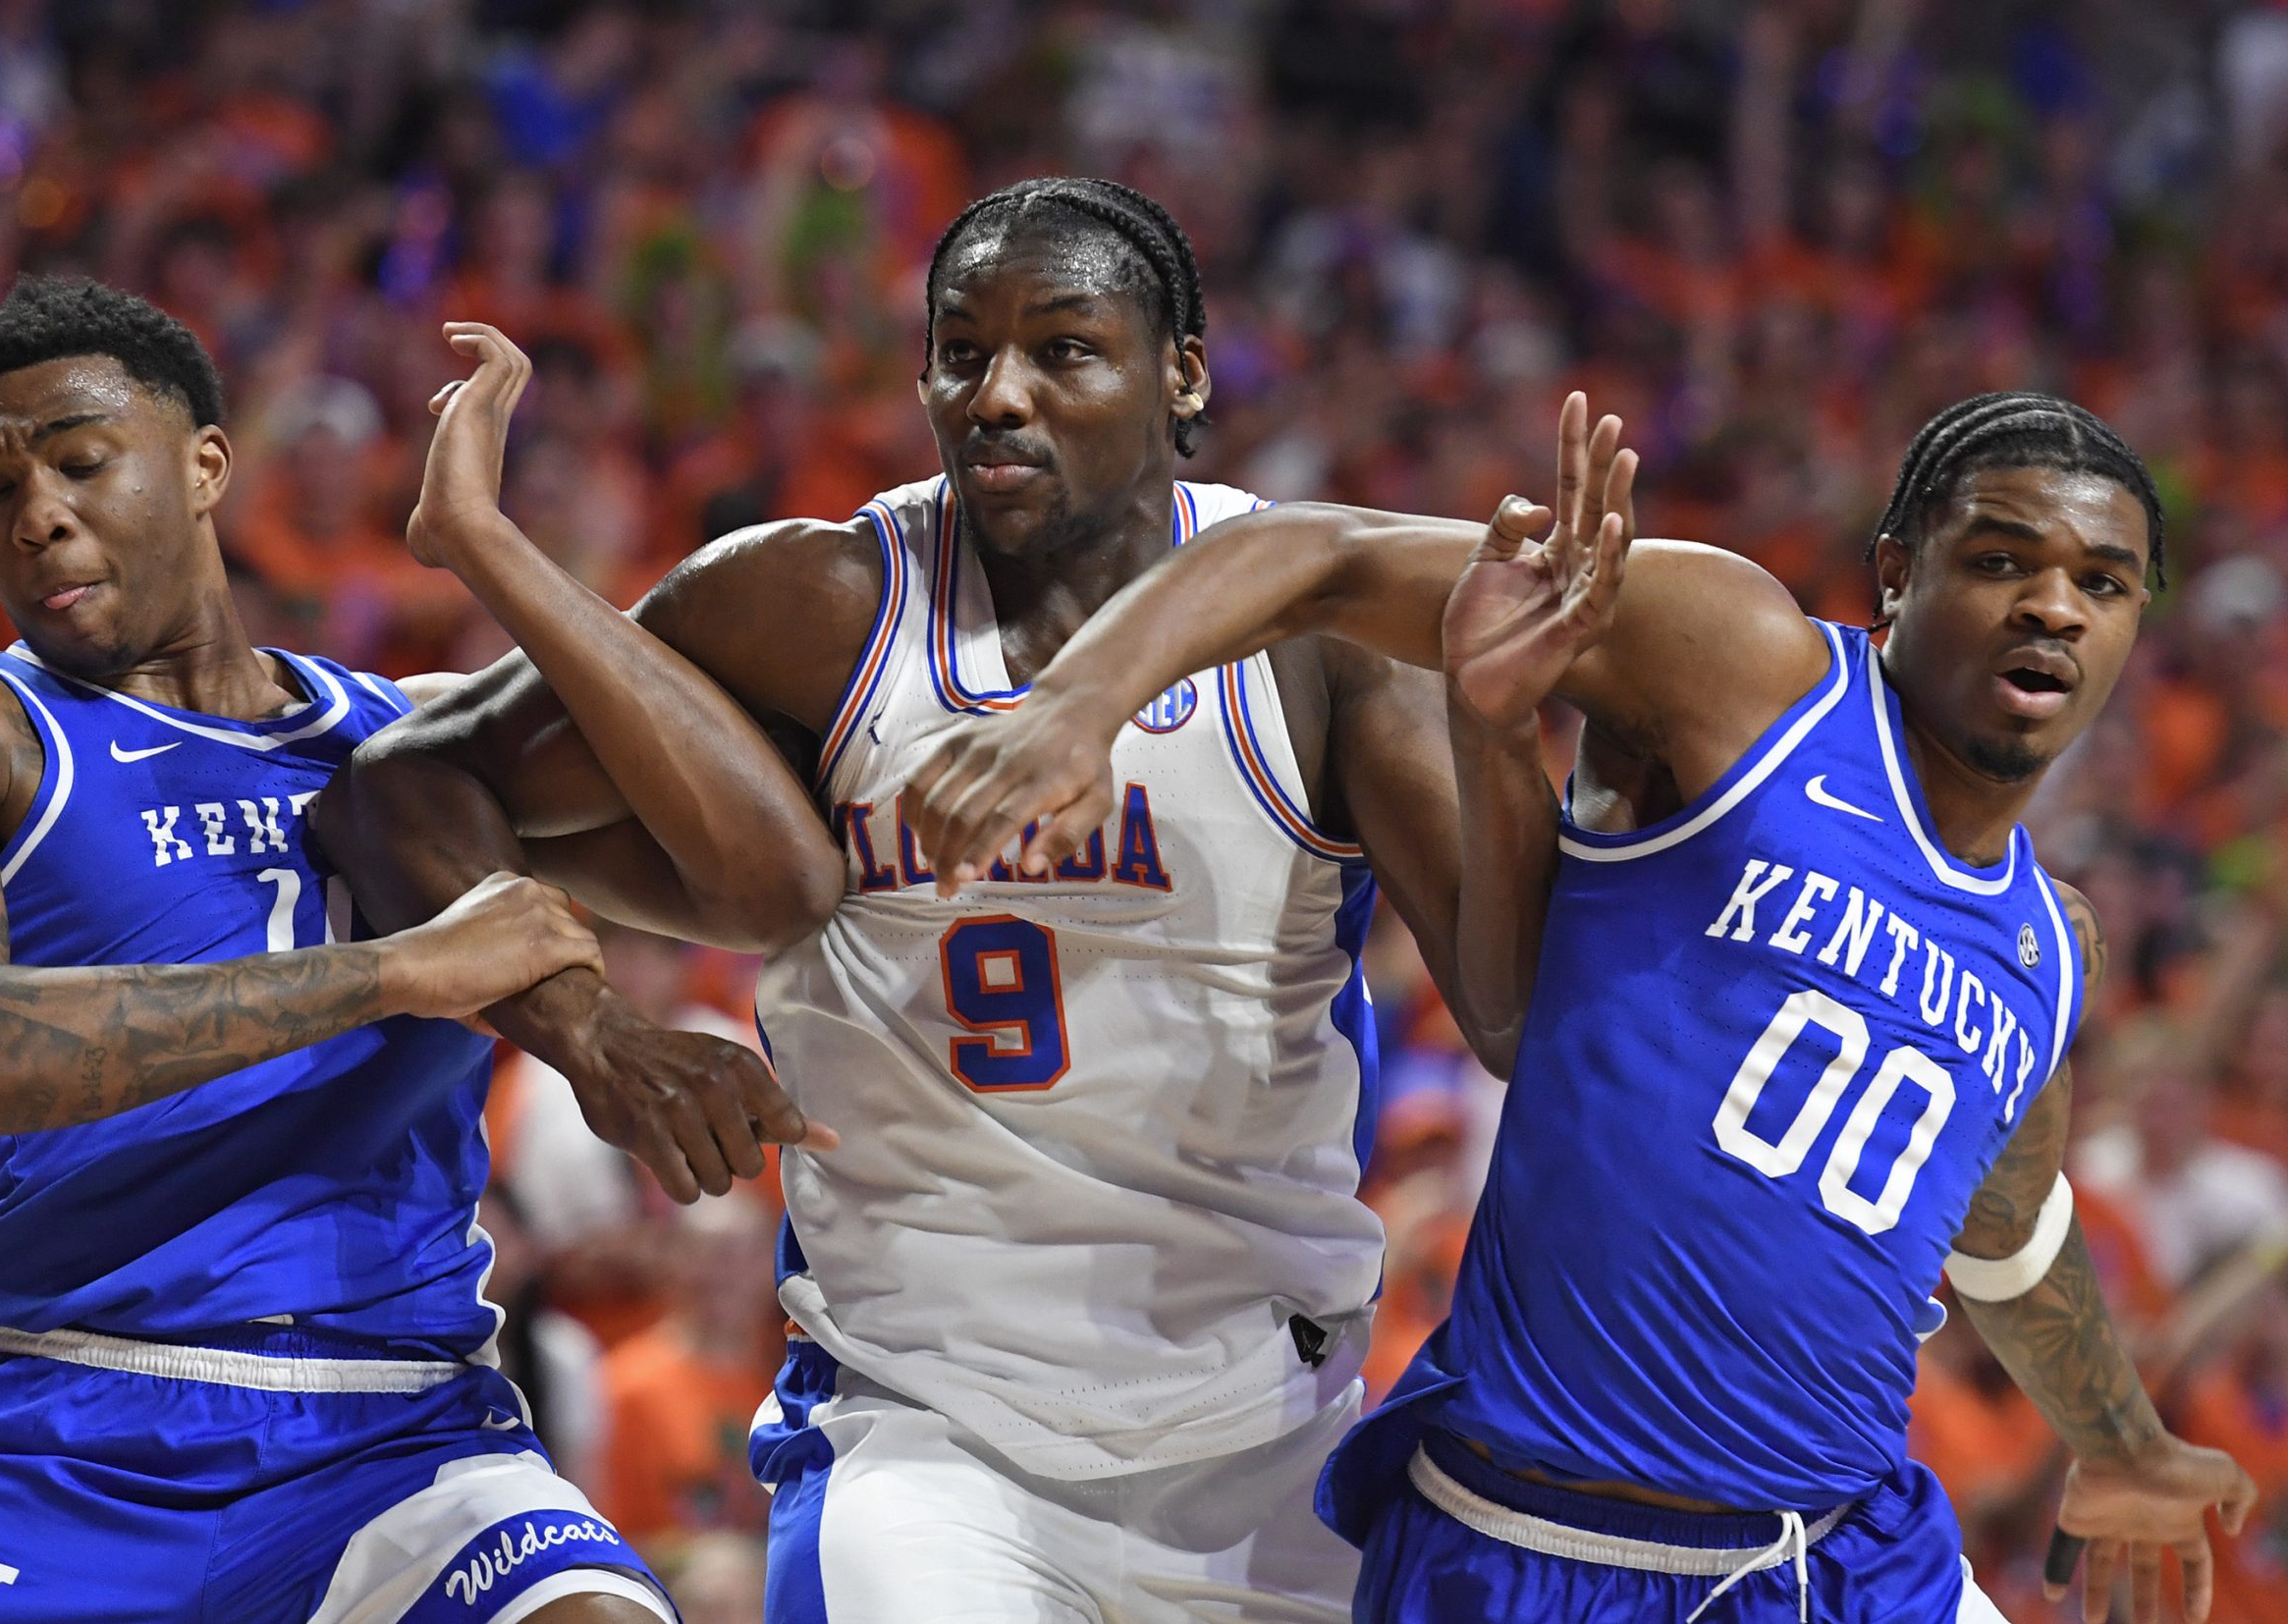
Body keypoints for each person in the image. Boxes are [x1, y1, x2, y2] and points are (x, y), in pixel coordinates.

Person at [321, 177, 1519, 1623]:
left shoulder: (1322, 640)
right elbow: (403, 785)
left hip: (1268, 1442)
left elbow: (1514, 1011)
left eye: (1064, 351)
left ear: (1182, 373)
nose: (999, 394)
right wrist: (597, 1040)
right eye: (962, 352)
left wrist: (1504, 733)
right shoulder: (817, 603)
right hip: (927, 1435)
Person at [906, 390, 2261, 1622]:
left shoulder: (2052, 944)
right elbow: (1319, 556)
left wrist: (2123, 1442)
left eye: (2103, 583)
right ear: (1898, 572)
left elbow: (2010, 1234)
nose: (2054, 608)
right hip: (1530, 1540)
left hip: (1841, 1560)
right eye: (2003, 559)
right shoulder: (1752, 670)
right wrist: (1072, 708)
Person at [0, 276, 822, 1623]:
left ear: (208, 465)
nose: (37, 511)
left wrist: (490, 548)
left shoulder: (412, 743)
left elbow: (769, 881)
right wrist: (394, 972)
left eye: (83, 463)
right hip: (56, 1427)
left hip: (404, 1442)